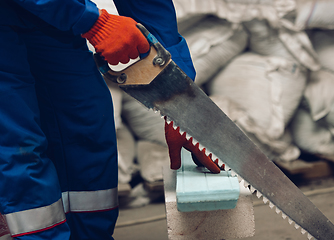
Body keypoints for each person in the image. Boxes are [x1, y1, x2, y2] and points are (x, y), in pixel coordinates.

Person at [0, 0, 220, 239]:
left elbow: (148, 5)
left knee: (86, 131)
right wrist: (95, 22)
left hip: (50, 17)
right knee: (19, 145)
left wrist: (178, 100)